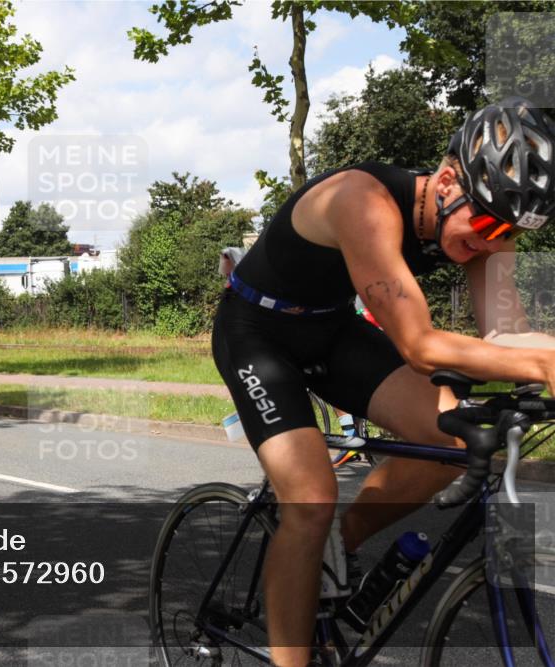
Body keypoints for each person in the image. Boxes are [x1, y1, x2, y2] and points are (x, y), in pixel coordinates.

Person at [211, 96, 555, 667]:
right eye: (490, 224)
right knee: (311, 498)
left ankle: (334, 553)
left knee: (451, 437)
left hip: (330, 331)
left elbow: (506, 337)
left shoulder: (483, 228)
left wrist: (536, 360)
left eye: (510, 232)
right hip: (256, 333)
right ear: (447, 180)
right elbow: (419, 344)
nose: (494, 244)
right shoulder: (362, 200)